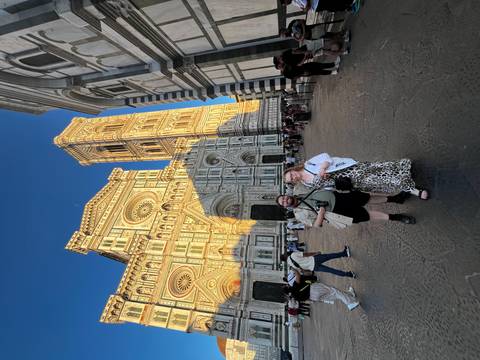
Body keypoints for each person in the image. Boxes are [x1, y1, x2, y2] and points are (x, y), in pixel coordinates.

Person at [283, 152, 429, 199]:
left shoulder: (309, 164)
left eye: (291, 174)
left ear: (292, 170)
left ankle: (401, 169)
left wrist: (323, 168)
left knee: (378, 168)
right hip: (348, 182)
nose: (294, 177)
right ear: (294, 183)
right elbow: (328, 190)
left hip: (347, 169)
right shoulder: (307, 184)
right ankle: (411, 188)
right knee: (378, 181)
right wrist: (328, 183)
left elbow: (326, 157)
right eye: (292, 180)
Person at [276, 189, 417, 228]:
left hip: (339, 197)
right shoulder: (299, 214)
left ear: (286, 195)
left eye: (283, 197)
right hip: (337, 213)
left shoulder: (299, 189)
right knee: (367, 215)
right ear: (285, 206)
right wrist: (322, 212)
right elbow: (317, 224)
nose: (285, 200)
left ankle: (396, 199)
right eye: (283, 202)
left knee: (367, 197)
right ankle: (396, 217)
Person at [285, 269, 360, 310]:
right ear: (288, 287)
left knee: (335, 295)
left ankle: (350, 295)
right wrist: (293, 269)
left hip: (313, 298)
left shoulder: (295, 297)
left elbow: (305, 300)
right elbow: (298, 274)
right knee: (334, 291)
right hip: (314, 289)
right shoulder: (294, 286)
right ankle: (350, 303)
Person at [280, 246, 355, 278]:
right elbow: (305, 254)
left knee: (331, 271)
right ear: (285, 256)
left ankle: (349, 274)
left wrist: (310, 271)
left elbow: (302, 271)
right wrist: (315, 253)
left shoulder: (292, 267)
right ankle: (344, 253)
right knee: (330, 256)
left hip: (313, 268)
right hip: (314, 259)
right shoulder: (292, 255)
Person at [274, 49, 339, 79]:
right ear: (279, 69)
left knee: (319, 65)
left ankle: (334, 64)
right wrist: (302, 74)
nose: (280, 66)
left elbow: (297, 64)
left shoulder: (287, 63)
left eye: (279, 64)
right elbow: (294, 77)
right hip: (304, 72)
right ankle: (332, 72)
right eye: (279, 67)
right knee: (319, 71)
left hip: (305, 66)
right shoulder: (285, 74)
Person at [280, 0, 359, 13]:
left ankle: (351, 3)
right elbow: (303, 8)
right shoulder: (294, 2)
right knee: (332, 8)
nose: (287, 4)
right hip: (316, 8)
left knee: (334, 3)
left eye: (286, 3)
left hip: (317, 2)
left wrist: (306, 7)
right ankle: (349, 7)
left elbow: (307, 4)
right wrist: (306, 8)